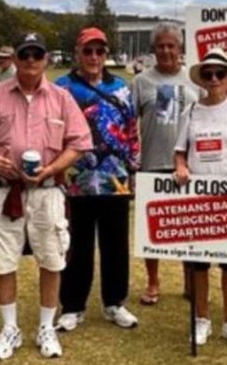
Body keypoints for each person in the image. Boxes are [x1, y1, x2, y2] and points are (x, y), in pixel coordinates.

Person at [0, 32, 92, 360]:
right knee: (2, 260)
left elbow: (79, 143)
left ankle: (46, 326)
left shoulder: (61, 98)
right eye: (25, 54)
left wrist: (51, 169)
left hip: (47, 192)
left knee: (51, 258)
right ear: (16, 58)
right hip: (3, 191)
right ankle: (10, 329)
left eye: (37, 54)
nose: (31, 60)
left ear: (46, 59)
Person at [54, 27, 140, 332]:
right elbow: (54, 132)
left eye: (99, 51)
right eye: (87, 51)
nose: (93, 57)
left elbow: (131, 132)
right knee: (77, 245)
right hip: (75, 181)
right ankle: (73, 305)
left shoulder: (122, 87)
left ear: (106, 54)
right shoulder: (61, 87)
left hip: (114, 180)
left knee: (115, 244)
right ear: (77, 52)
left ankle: (115, 302)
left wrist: (134, 171)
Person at [174, 47, 227, 348]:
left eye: (220, 73)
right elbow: (180, 151)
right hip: (198, 198)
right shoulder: (191, 111)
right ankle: (201, 319)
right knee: (198, 264)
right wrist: (180, 166)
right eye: (208, 74)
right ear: (202, 79)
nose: (214, 78)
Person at [131, 22, 200, 306]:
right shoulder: (141, 82)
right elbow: (128, 123)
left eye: (171, 45)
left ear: (180, 48)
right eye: (161, 46)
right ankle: (153, 280)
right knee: (153, 227)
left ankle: (190, 280)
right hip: (153, 160)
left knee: (187, 225)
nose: (166, 50)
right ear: (153, 49)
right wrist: (132, 162)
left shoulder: (195, 80)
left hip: (190, 164)